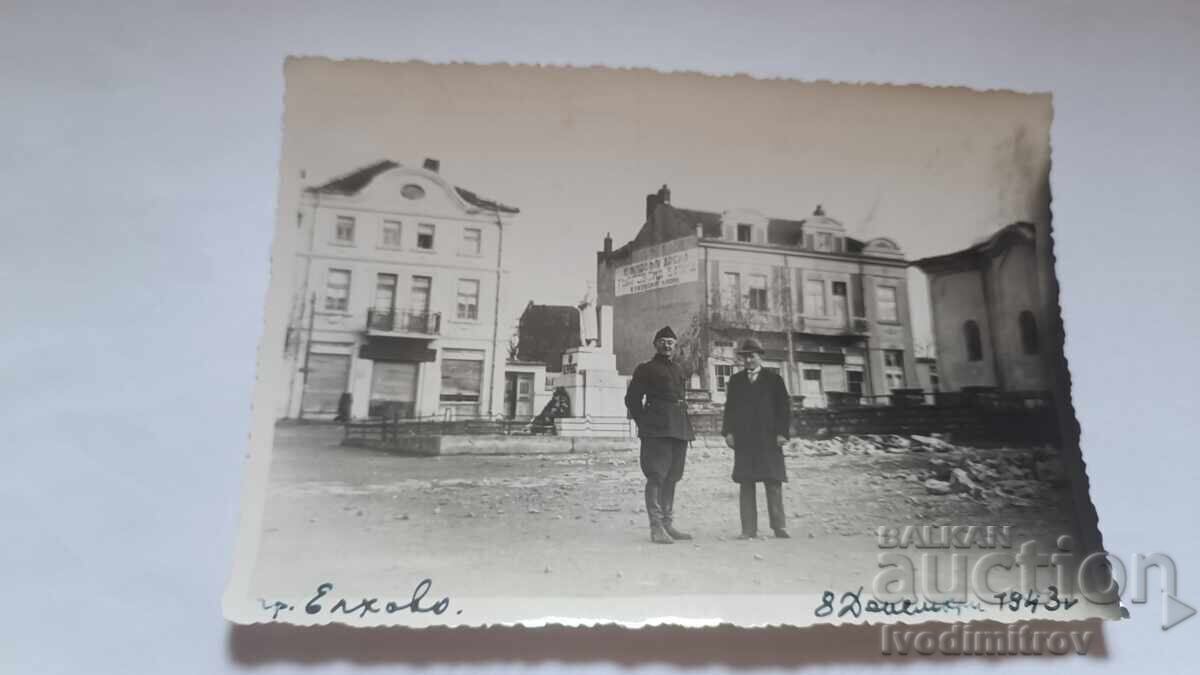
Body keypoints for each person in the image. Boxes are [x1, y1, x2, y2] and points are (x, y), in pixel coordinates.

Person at [625, 325, 695, 544]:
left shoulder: (678, 369)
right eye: (663, 341)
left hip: (679, 429)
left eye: (671, 342)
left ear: (675, 347)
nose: (667, 345)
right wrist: (644, 423)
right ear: (655, 344)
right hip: (656, 431)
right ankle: (656, 527)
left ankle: (667, 524)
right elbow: (632, 399)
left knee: (673, 477)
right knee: (656, 476)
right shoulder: (645, 369)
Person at [721, 338, 792, 539]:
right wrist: (728, 432)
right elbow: (730, 409)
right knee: (746, 482)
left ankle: (779, 526)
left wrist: (782, 433)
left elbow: (783, 409)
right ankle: (748, 529)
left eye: (752, 356)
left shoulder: (774, 380)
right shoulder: (736, 381)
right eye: (745, 356)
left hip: (769, 439)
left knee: (773, 482)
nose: (748, 360)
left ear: (760, 356)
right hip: (744, 441)